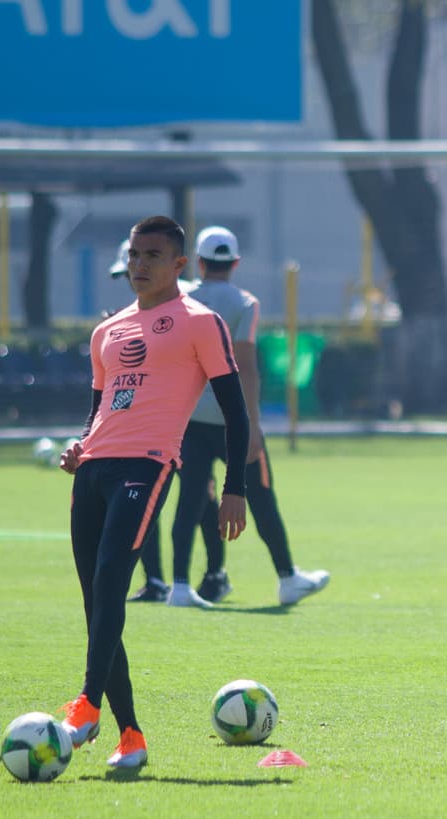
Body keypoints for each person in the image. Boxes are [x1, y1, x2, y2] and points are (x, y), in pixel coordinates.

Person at [58, 215, 249, 770]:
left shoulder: (199, 321)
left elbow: (235, 412)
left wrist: (234, 487)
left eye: (153, 256)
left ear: (179, 265)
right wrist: (80, 445)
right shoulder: (107, 330)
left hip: (147, 467)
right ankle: (131, 735)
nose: (140, 265)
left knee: (113, 583)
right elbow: (97, 412)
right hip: (93, 471)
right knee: (98, 606)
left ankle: (88, 703)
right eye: (135, 255)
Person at [167, 226, 330, 608]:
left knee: (189, 499)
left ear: (200, 263)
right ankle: (287, 576)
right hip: (231, 419)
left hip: (188, 418)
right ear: (236, 263)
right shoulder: (245, 302)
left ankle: (178, 584)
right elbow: (245, 366)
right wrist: (253, 425)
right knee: (261, 498)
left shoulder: (182, 298)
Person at [99, 238, 225, 604]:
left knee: (200, 500)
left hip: (187, 424)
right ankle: (156, 579)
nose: (132, 276)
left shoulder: (182, 309)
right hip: (148, 432)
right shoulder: (130, 317)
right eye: (127, 269)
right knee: (144, 501)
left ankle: (213, 573)